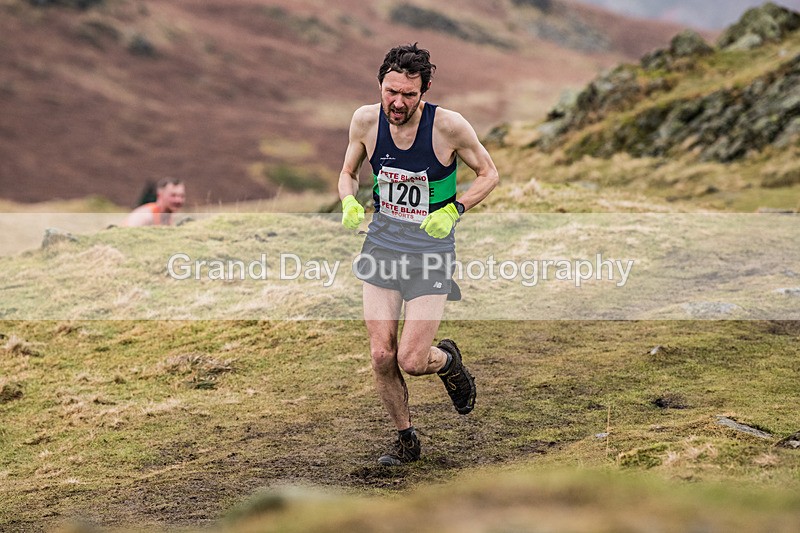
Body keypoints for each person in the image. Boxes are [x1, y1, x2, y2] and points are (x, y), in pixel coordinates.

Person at [338, 43, 499, 465]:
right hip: (381, 247)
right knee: (380, 354)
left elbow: (489, 174)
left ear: (424, 91)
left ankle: (448, 361)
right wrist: (348, 200)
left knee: (411, 359)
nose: (397, 102)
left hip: (430, 253)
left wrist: (455, 209)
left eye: (409, 95)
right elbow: (348, 171)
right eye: (391, 91)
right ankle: (406, 440)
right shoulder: (365, 120)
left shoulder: (449, 126)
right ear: (381, 85)